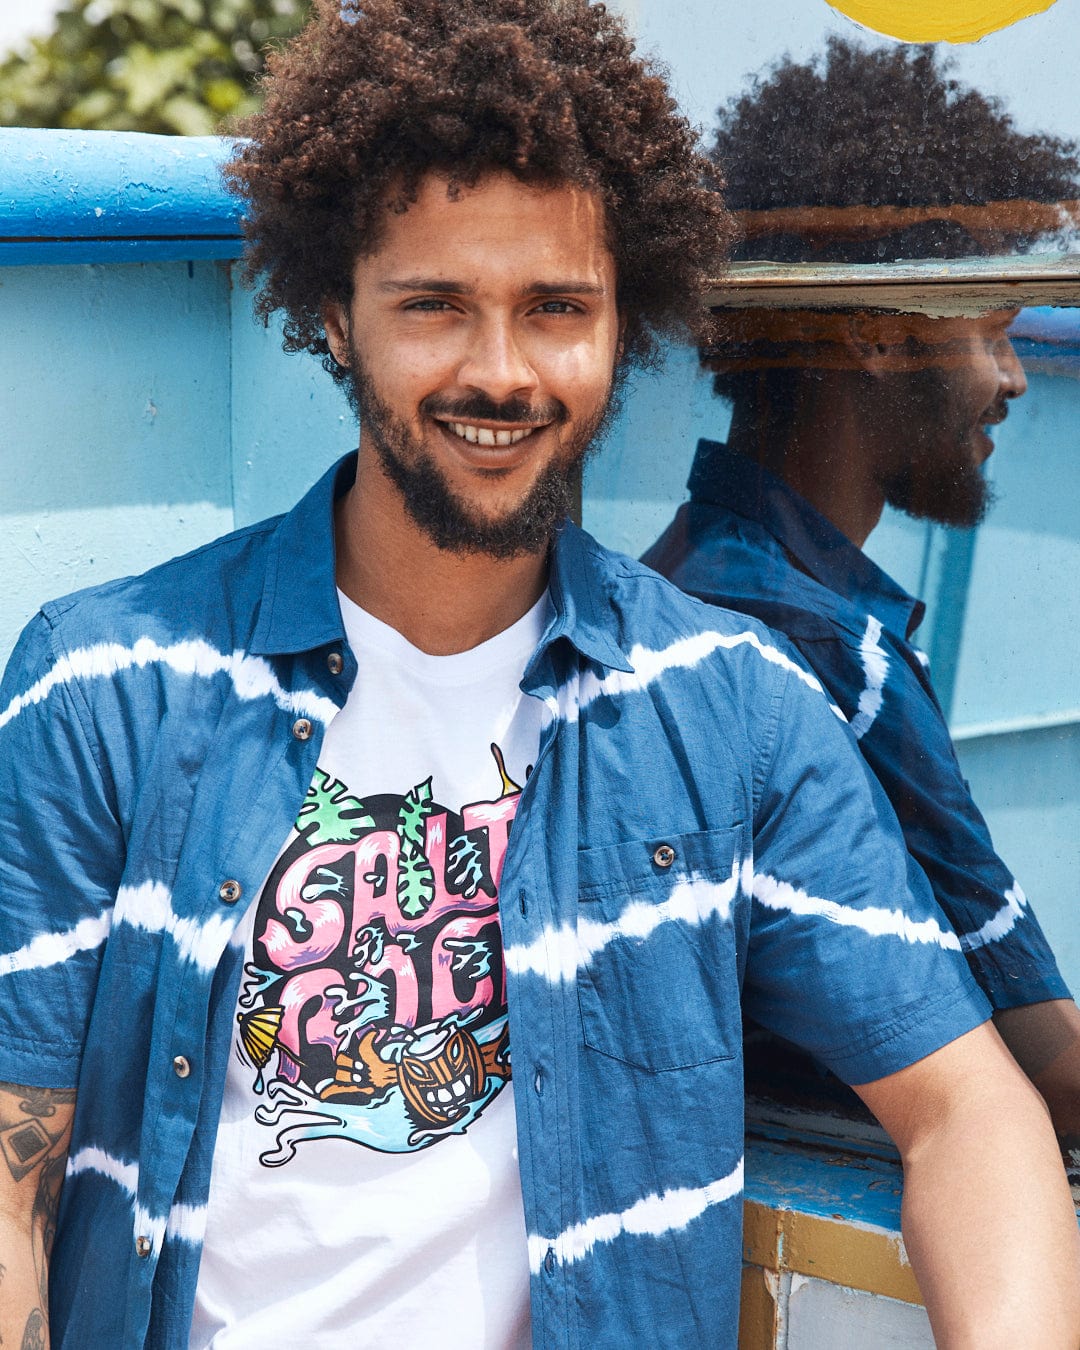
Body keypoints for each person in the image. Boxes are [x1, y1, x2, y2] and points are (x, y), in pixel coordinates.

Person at [1, 6, 1077, 1348]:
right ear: (336, 313)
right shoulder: (109, 682)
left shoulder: (730, 711)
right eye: (437, 303)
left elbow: (974, 1110)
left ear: (627, 324)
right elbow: (10, 1189)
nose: (501, 371)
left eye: (557, 308)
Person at [644, 38, 1080, 1139]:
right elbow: (1052, 1072)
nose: (1016, 378)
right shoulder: (832, 655)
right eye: (991, 329)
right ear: (882, 332)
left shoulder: (667, 586)